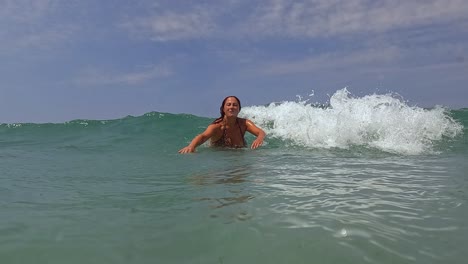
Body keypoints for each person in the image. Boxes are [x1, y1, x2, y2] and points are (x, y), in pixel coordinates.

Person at [179, 96, 266, 154]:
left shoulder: (244, 123)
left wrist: (259, 138)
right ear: (223, 109)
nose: (231, 107)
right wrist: (191, 146)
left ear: (239, 109)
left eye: (235, 105)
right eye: (228, 105)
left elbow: (261, 132)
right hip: (219, 154)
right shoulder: (217, 126)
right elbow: (203, 136)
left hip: (239, 154)